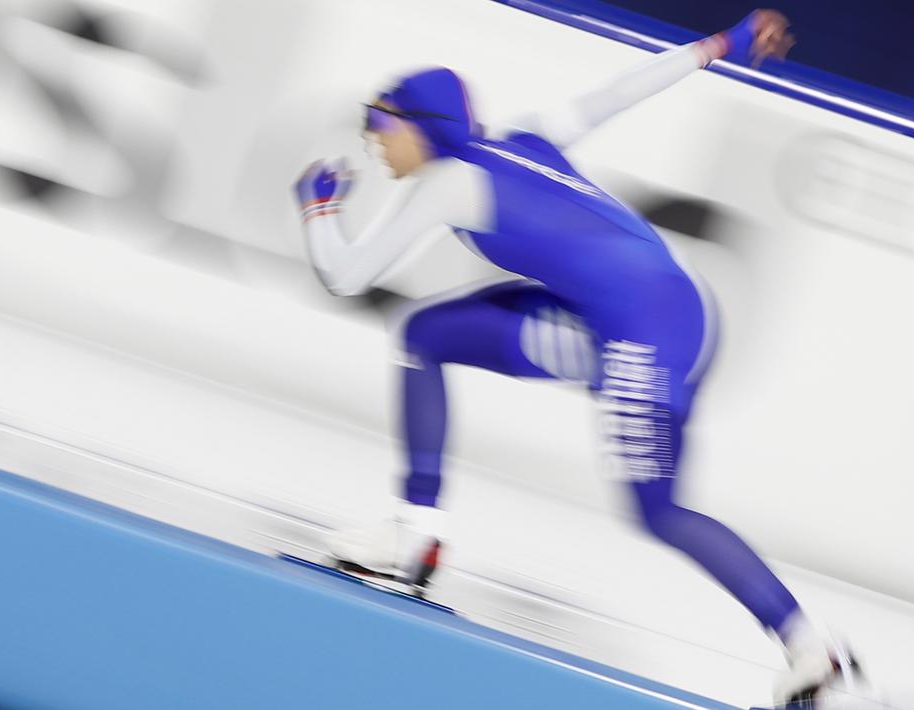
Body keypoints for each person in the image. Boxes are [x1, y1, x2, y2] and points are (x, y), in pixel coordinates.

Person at [294, 10, 865, 707]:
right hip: (654, 311)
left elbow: (347, 277)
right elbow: (621, 90)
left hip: (641, 332)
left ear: (419, 126)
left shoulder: (447, 182)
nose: (371, 140)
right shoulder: (527, 135)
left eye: (378, 123)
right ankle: (414, 537)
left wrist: (318, 211)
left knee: (658, 509)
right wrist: (720, 45)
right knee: (428, 335)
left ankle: (818, 655)